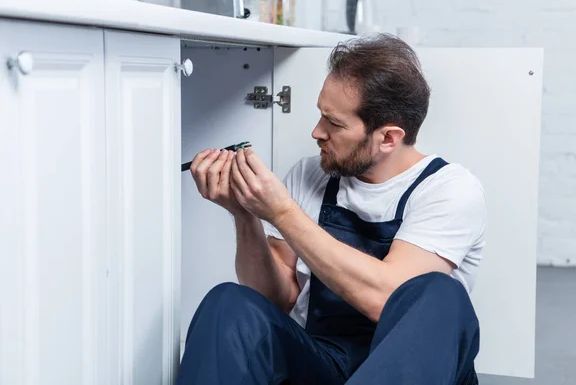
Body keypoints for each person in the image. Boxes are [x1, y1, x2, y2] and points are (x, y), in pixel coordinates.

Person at [177, 33, 486, 385]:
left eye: (334, 123)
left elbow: (386, 298)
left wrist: (281, 212)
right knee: (229, 303)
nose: (316, 132)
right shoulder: (311, 174)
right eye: (321, 115)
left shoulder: (450, 190)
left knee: (440, 294)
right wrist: (245, 215)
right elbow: (273, 299)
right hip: (324, 361)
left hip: (416, 369)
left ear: (388, 138)